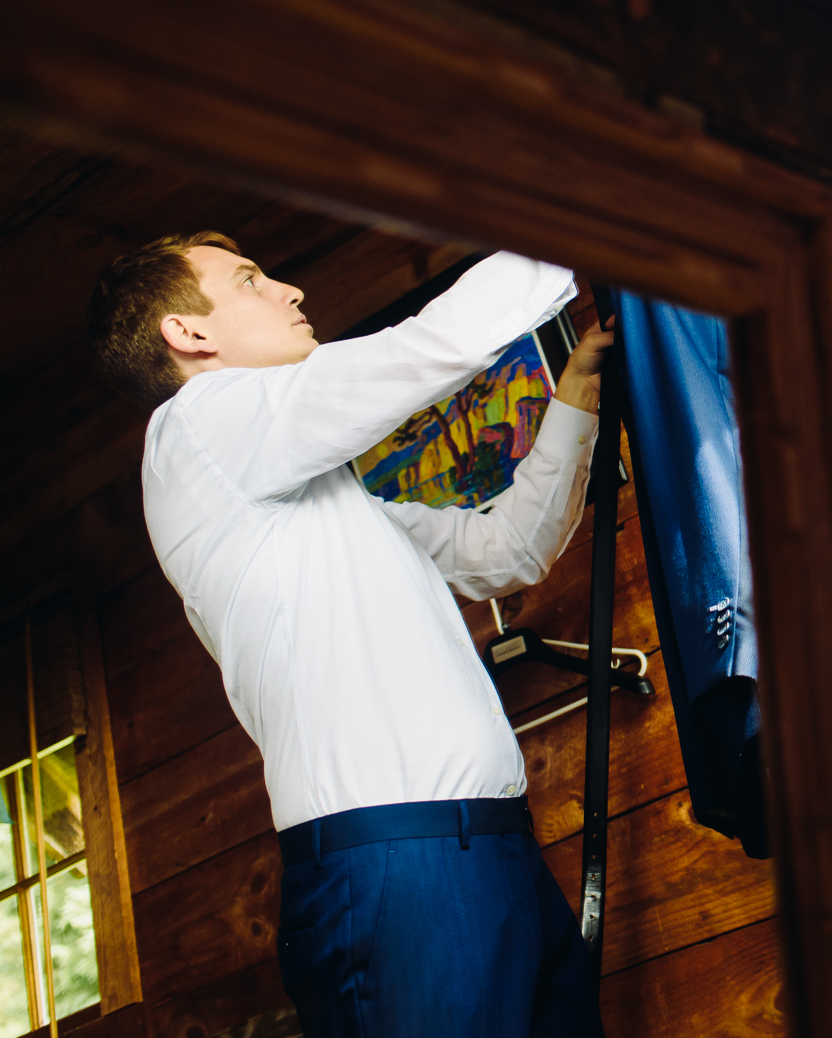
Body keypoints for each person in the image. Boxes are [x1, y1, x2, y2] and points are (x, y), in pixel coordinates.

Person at [87, 236, 610, 1037]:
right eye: (253, 281)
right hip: (399, 864)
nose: (291, 290)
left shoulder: (327, 504)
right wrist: (581, 219)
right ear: (189, 335)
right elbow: (429, 348)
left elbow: (511, 550)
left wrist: (573, 395)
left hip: (493, 847)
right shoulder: (197, 427)